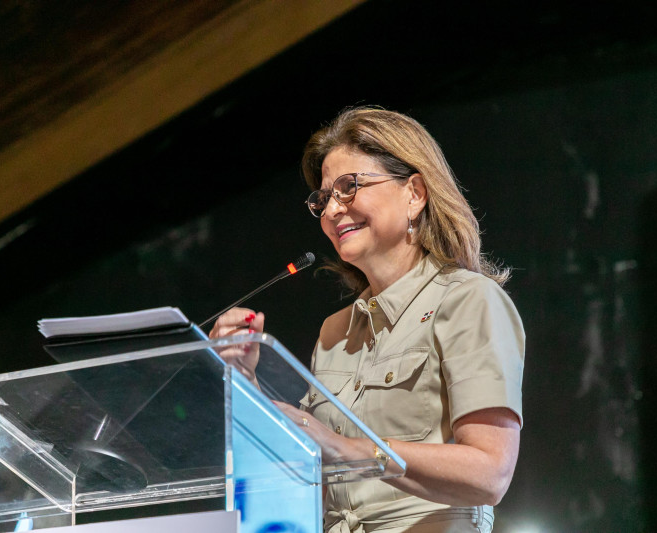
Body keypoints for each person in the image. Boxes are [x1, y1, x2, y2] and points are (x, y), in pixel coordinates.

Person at [210, 107, 525, 533]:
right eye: (323, 198)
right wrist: (243, 383)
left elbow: (490, 474)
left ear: (414, 193)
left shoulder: (468, 299)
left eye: (349, 187)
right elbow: (311, 488)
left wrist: (348, 449)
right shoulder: (333, 333)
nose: (332, 210)